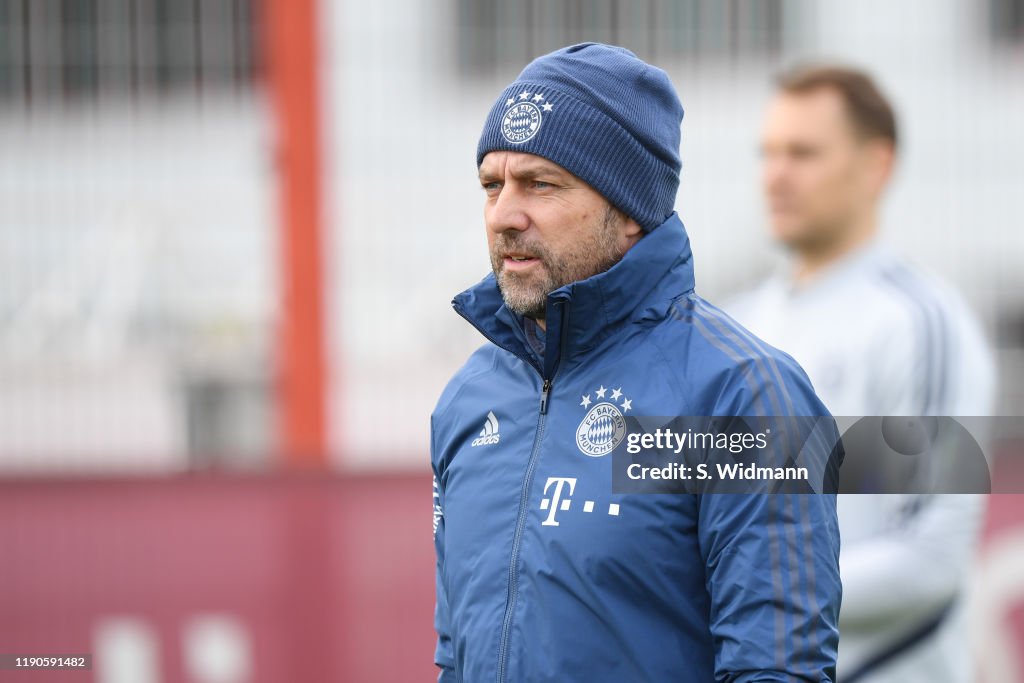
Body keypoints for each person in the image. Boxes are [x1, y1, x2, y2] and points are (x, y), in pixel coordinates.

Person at [431, 43, 842, 682]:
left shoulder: (743, 394)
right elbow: (458, 658)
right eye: (493, 185)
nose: (505, 215)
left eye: (541, 183)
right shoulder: (470, 399)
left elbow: (779, 668)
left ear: (627, 212)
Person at [726, 65, 996, 682]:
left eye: (803, 153)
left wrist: (747, 599)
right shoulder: (731, 330)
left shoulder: (921, 323)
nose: (776, 175)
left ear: (876, 165)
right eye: (767, 154)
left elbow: (930, 557)